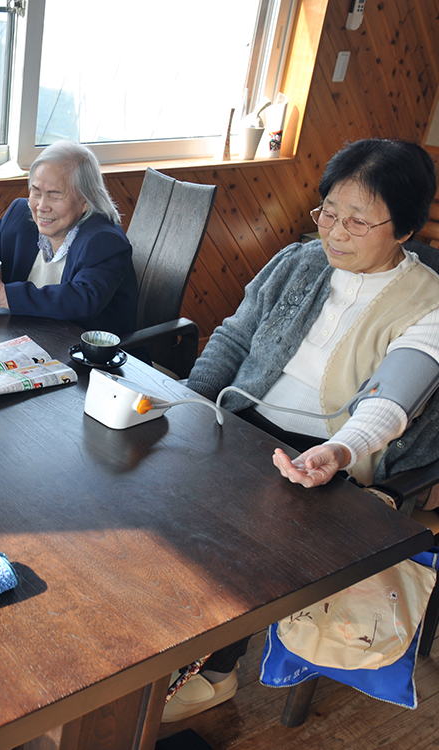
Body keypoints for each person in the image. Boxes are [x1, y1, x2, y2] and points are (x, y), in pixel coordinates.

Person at [164, 138, 439, 722]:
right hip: (241, 419)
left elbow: (391, 402)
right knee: (145, 482)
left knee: (243, 532)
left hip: (329, 452)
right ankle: (159, 638)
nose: (336, 232)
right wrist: (189, 402)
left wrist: (340, 450)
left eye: (359, 220)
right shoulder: (297, 260)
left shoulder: (429, 302)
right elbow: (235, 338)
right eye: (329, 213)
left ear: (406, 228)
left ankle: (215, 672)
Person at [0, 140, 139, 336]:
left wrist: (3, 296)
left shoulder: (104, 240)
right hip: (27, 338)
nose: (41, 206)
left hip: (90, 355)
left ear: (85, 201)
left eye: (55, 195)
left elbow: (82, 300)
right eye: (36, 192)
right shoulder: (22, 215)